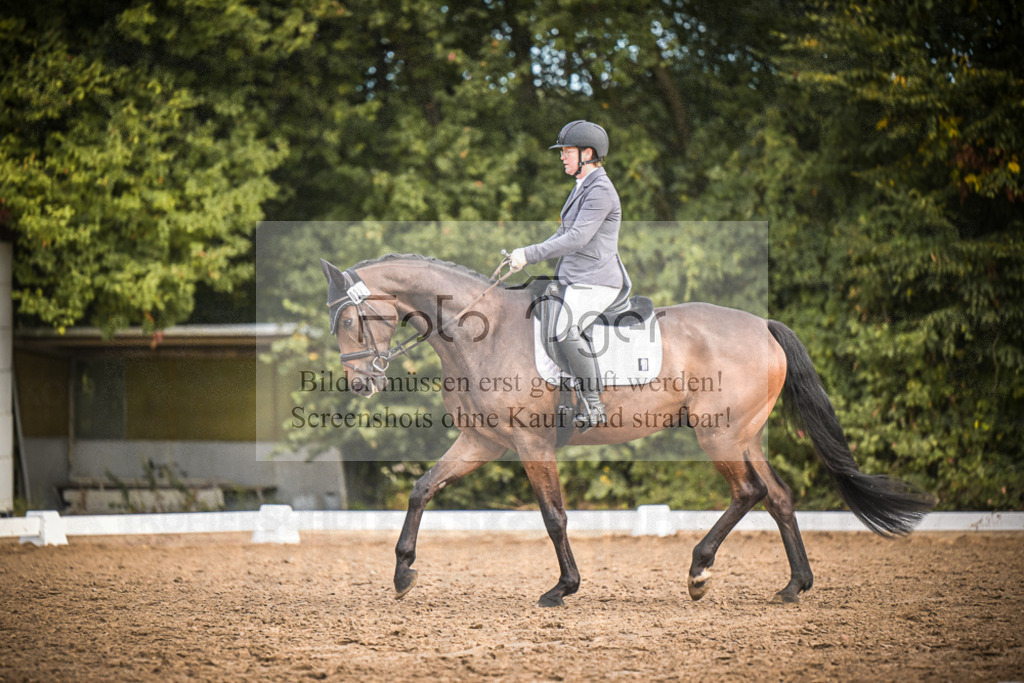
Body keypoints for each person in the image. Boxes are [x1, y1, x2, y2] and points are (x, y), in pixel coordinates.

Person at [509, 120, 631, 428]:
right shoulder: (583, 187)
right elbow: (562, 234)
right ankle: (565, 396)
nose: (562, 157)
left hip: (597, 279)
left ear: (587, 153)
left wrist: (530, 253)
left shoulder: (601, 190)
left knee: (565, 328)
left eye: (567, 152)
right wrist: (527, 254)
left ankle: (593, 405)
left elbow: (577, 238)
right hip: (576, 277)